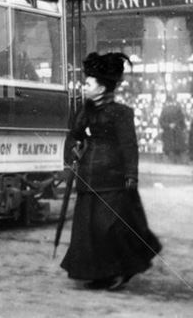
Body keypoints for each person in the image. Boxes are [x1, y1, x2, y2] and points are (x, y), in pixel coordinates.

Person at [61, 51, 161, 290]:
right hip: (88, 177)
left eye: (88, 83)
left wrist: (131, 175)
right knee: (89, 230)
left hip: (114, 179)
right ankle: (100, 274)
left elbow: (129, 146)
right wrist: (70, 156)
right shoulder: (84, 111)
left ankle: (121, 271)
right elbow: (73, 136)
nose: (84, 86)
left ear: (102, 87)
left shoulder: (121, 113)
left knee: (110, 229)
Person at [158, 94, 187, 163]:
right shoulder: (178, 109)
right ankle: (178, 164)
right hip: (177, 133)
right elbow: (182, 121)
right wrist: (177, 125)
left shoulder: (164, 110)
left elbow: (161, 121)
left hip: (168, 134)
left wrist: (168, 125)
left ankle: (170, 165)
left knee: (169, 151)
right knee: (178, 151)